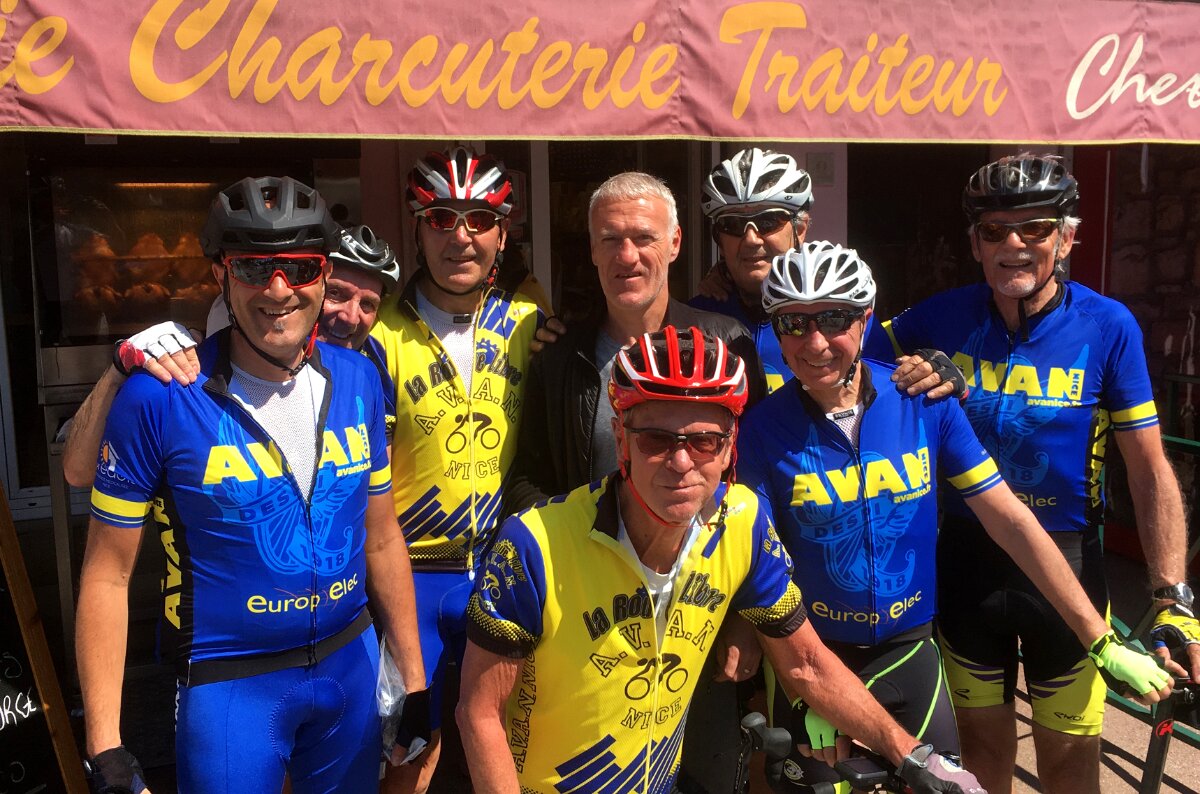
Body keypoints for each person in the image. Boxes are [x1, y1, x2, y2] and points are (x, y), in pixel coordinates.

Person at [457, 326, 988, 794]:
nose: (681, 461)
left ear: (732, 446)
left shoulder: (743, 523)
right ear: (620, 438)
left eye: (705, 441)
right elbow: (480, 714)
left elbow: (806, 663)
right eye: (656, 440)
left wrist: (913, 755)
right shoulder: (534, 545)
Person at [738, 242, 1172, 793]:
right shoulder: (758, 431)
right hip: (818, 653)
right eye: (794, 323)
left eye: (834, 319)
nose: (816, 342)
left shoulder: (922, 401)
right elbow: (759, 573)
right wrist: (806, 687)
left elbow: (1011, 521)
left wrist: (1100, 639)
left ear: (866, 319)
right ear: (776, 331)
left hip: (912, 656)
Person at [75, 177, 427, 793]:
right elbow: (107, 575)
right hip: (229, 686)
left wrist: (414, 681)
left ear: (323, 274)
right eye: (255, 266)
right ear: (221, 275)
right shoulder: (161, 396)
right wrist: (104, 744)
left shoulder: (360, 379)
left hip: (349, 667)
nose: (279, 288)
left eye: (300, 267)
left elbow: (380, 537)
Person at [862, 153, 1200, 794]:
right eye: (995, 230)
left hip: (1068, 569)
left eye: (1036, 228)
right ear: (975, 244)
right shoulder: (937, 318)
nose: (1014, 244)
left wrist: (1170, 595)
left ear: (1066, 239)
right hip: (966, 568)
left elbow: (1150, 466)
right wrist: (909, 366)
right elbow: (844, 365)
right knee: (982, 754)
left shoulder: (1108, 326)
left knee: (1070, 763)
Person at [504, 170, 765, 793]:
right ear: (592, 252)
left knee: (704, 778)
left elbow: (753, 487)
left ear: (674, 243)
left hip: (700, 616)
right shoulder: (559, 356)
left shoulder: (726, 342)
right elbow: (528, 480)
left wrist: (747, 616)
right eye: (610, 240)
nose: (628, 255)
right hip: (592, 625)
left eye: (643, 237)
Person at [370, 146, 542, 794]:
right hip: (411, 579)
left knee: (510, 748)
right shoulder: (380, 333)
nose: (460, 237)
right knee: (409, 759)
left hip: (503, 575)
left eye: (480, 220)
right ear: (417, 230)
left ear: (503, 234)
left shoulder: (531, 325)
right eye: (442, 219)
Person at [62, 222, 403, 488]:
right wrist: (118, 370)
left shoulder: (367, 374)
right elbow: (79, 472)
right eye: (337, 294)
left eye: (368, 304)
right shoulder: (194, 363)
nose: (350, 317)